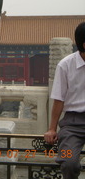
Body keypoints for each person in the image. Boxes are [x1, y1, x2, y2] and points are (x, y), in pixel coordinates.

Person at [44, 22, 85, 179]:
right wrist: (52, 129)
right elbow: (58, 100)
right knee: (68, 161)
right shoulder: (65, 65)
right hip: (72, 125)